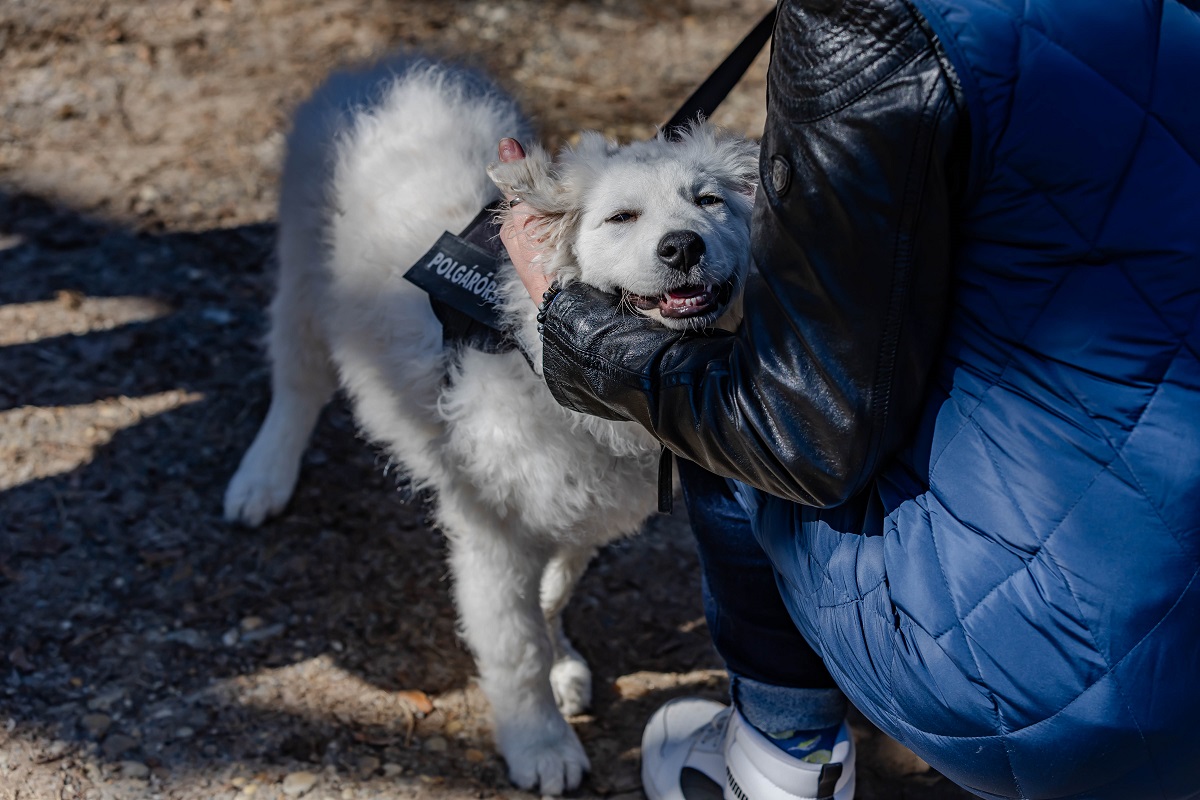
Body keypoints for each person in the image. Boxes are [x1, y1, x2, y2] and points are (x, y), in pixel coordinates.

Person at [498, 1, 1200, 798]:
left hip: (1066, 689)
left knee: (723, 392)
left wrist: (575, 321)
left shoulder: (867, 22)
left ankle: (784, 756)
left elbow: (796, 432)